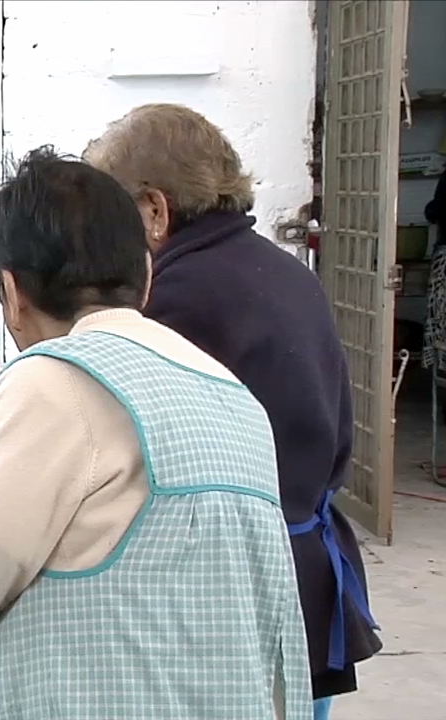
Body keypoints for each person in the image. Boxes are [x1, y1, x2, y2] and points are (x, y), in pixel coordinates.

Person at [0, 146, 312, 720]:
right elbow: (145, 538)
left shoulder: (51, 380)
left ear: (11, 292)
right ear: (146, 275)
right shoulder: (229, 390)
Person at [83, 104, 382, 720]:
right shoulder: (280, 269)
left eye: (111, 219)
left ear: (154, 211)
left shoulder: (175, 299)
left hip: (246, 596)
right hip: (306, 575)